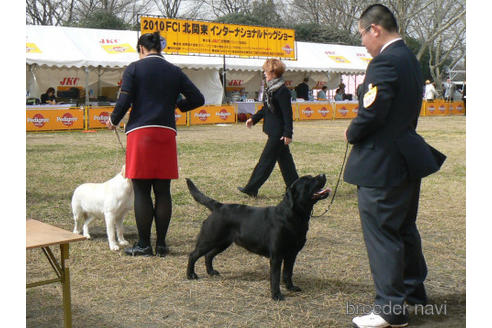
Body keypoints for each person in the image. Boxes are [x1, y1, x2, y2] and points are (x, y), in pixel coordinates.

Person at [343, 5, 446, 328]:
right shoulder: (411, 60)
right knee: (404, 229)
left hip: (382, 162)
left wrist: (352, 131)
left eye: (362, 34)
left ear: (375, 29)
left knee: (383, 234)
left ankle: (390, 309)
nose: (362, 42)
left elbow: (373, 112)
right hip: (405, 157)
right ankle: (413, 293)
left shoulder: (385, 61)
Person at [106, 32, 204, 257]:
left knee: (141, 190)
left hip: (141, 133)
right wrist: (177, 104)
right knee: (163, 190)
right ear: (159, 48)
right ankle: (161, 244)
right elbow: (198, 98)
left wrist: (113, 120)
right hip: (166, 133)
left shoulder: (134, 68)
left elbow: (124, 100)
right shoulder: (174, 70)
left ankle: (143, 244)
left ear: (141, 48)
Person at [238, 58, 299, 197]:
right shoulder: (271, 89)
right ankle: (294, 188)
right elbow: (266, 109)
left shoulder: (282, 91)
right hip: (274, 131)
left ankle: (251, 188)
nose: (264, 73)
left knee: (265, 161)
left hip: (279, 133)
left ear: (273, 72)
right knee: (286, 162)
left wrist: (288, 133)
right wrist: (254, 119)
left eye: (266, 71)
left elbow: (287, 114)